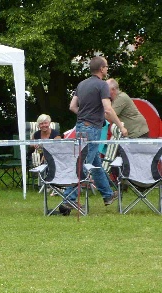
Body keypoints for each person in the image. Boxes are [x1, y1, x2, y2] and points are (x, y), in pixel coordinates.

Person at [63, 56, 125, 212]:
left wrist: (84, 116)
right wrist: (120, 127)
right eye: (106, 66)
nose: (107, 69)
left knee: (95, 161)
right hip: (92, 130)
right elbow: (108, 109)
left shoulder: (82, 84)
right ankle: (69, 198)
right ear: (102, 69)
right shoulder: (102, 85)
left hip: (80, 127)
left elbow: (72, 106)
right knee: (84, 164)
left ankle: (108, 194)